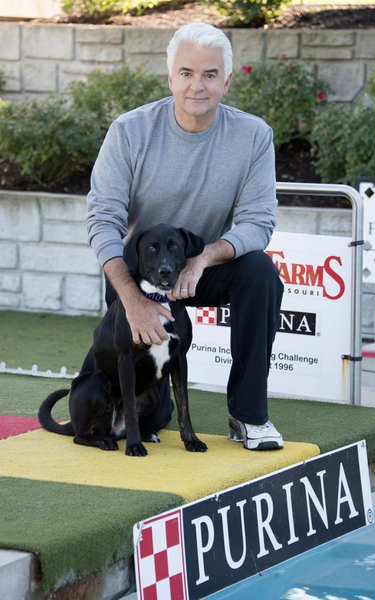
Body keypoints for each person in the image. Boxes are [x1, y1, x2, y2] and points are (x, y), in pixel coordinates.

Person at [87, 22, 284, 450]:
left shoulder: (253, 136)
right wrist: (133, 300)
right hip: (139, 274)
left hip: (201, 267)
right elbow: (103, 220)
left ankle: (248, 416)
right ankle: (128, 410)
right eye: (187, 73)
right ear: (170, 76)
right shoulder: (129, 131)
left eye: (210, 74)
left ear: (227, 81)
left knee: (260, 273)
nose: (198, 85)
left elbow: (257, 221)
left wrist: (205, 257)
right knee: (152, 414)